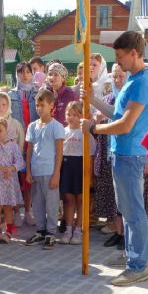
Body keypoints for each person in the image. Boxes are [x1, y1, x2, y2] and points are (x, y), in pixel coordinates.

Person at [83, 31, 148, 286]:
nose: (117, 62)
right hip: (123, 153)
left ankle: (138, 266)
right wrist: (93, 101)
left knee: (134, 213)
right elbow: (117, 114)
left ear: (134, 53)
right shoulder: (135, 79)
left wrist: (94, 129)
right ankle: (131, 255)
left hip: (130, 153)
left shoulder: (142, 82)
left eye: (120, 56)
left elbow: (125, 125)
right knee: (127, 211)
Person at [25, 88, 65, 250]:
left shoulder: (57, 126)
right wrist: (28, 170)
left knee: (51, 203)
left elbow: (60, 151)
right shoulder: (32, 126)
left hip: (50, 171)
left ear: (51, 106)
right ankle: (40, 231)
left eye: (42, 105)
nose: (39, 108)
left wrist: (57, 173)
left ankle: (51, 233)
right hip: (36, 171)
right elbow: (29, 150)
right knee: (38, 203)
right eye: (37, 105)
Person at [95, 64, 125, 245]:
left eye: (121, 76)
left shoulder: (129, 97)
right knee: (116, 195)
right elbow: (98, 117)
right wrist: (97, 119)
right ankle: (118, 230)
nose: (117, 79)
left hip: (127, 150)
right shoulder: (108, 97)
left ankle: (125, 235)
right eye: (114, 76)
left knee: (126, 197)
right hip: (110, 149)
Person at [8, 62, 38, 226]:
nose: (25, 75)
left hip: (32, 141)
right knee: (15, 178)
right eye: (21, 72)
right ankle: (16, 211)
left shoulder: (38, 93)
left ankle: (28, 210)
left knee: (28, 179)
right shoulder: (10, 94)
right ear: (16, 75)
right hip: (16, 142)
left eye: (28, 72)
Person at [59, 101, 92, 245]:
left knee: (81, 199)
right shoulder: (63, 132)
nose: (71, 117)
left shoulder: (85, 133)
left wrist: (90, 176)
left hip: (80, 167)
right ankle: (68, 229)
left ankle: (78, 230)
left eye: (75, 115)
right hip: (67, 167)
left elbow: (90, 155)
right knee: (68, 199)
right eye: (68, 114)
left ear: (81, 116)